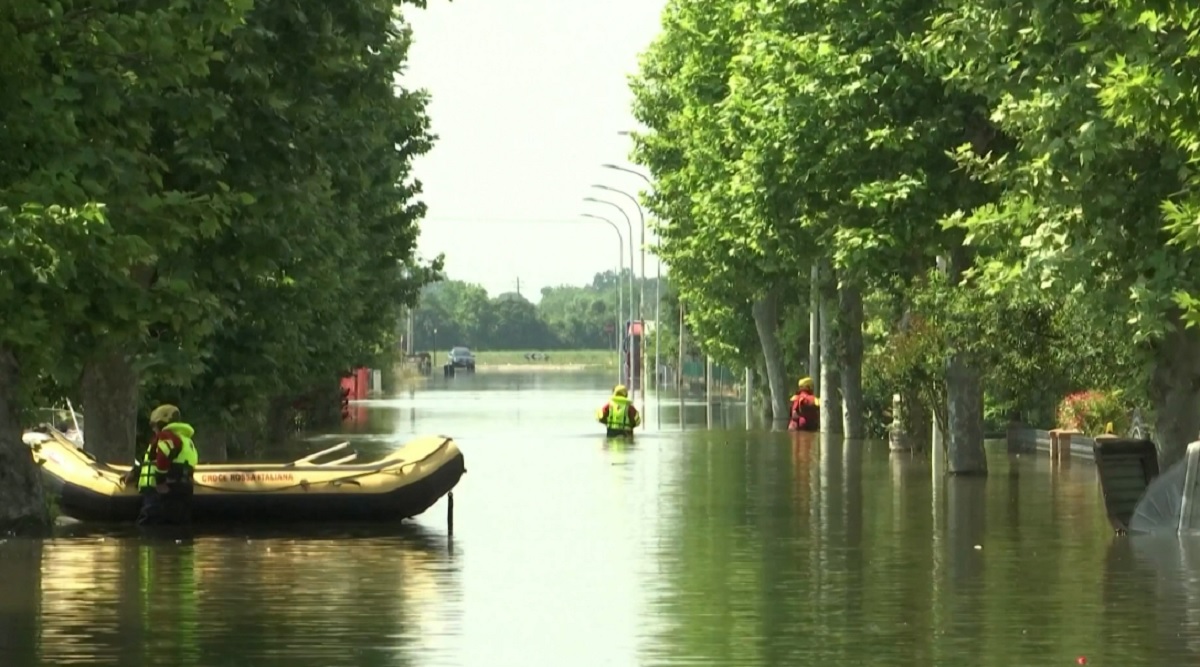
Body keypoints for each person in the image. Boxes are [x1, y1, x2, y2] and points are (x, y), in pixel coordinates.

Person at [122, 404, 198, 526]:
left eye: (154, 425)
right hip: (183, 490)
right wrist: (136, 472)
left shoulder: (166, 436)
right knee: (179, 526)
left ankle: (151, 545)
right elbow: (154, 461)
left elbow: (162, 458)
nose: (153, 429)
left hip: (163, 492)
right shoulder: (186, 440)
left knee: (150, 525)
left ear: (161, 424)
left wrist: (160, 481)